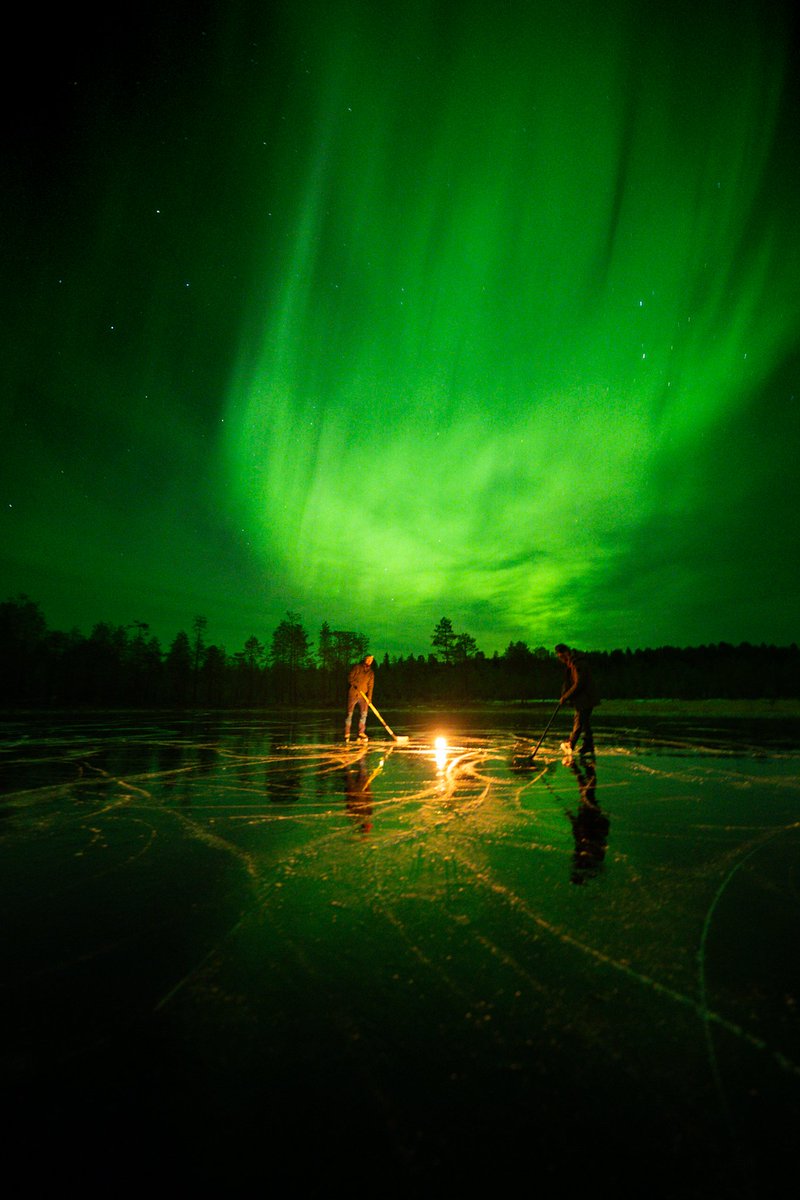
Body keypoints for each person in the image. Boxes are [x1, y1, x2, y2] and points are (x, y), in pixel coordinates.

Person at [555, 643, 599, 757]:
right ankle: (588, 745)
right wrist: (564, 694)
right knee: (584, 721)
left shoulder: (577, 663)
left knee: (579, 720)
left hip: (585, 697)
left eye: (561, 656)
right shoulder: (572, 662)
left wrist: (566, 696)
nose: (561, 659)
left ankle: (571, 744)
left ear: (566, 653)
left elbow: (579, 683)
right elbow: (569, 682)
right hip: (584, 697)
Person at [344, 653, 375, 742]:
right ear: (365, 659)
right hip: (353, 694)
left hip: (363, 696)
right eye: (368, 659)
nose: (369, 661)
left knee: (364, 714)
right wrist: (355, 684)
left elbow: (370, 686)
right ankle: (347, 733)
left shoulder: (371, 673)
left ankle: (361, 732)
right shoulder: (357, 668)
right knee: (349, 714)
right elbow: (350, 678)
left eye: (371, 660)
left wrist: (369, 698)